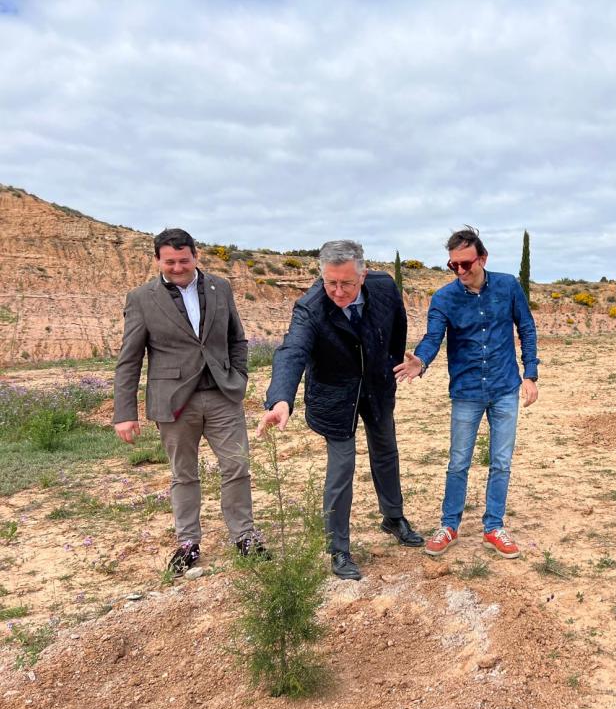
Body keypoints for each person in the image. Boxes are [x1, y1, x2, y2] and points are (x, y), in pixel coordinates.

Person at [257, 240, 423, 581]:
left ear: (362, 275)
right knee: (342, 468)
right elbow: (292, 351)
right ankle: (338, 548)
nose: (337, 290)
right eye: (330, 282)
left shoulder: (384, 288)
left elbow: (397, 328)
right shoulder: (311, 307)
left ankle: (393, 517)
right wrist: (280, 399)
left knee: (386, 452)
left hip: (376, 387)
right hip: (335, 396)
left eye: (346, 283)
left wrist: (391, 363)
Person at [113, 228, 262, 574]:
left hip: (223, 395)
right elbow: (129, 358)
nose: (177, 267)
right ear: (157, 261)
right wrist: (125, 412)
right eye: (170, 261)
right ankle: (188, 543)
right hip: (173, 402)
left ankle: (244, 536)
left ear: (196, 256)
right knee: (183, 474)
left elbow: (236, 339)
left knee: (236, 467)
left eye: (183, 260)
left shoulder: (220, 287)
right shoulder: (141, 298)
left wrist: (238, 376)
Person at [394, 226, 539, 559]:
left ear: (482, 258)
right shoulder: (444, 298)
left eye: (466, 264)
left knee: (501, 462)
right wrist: (422, 361)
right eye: (453, 265)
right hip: (467, 391)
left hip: (505, 387)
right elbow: (433, 337)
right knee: (458, 462)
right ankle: (449, 525)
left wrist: (530, 374)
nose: (460, 271)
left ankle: (493, 527)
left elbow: (527, 329)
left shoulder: (508, 286)